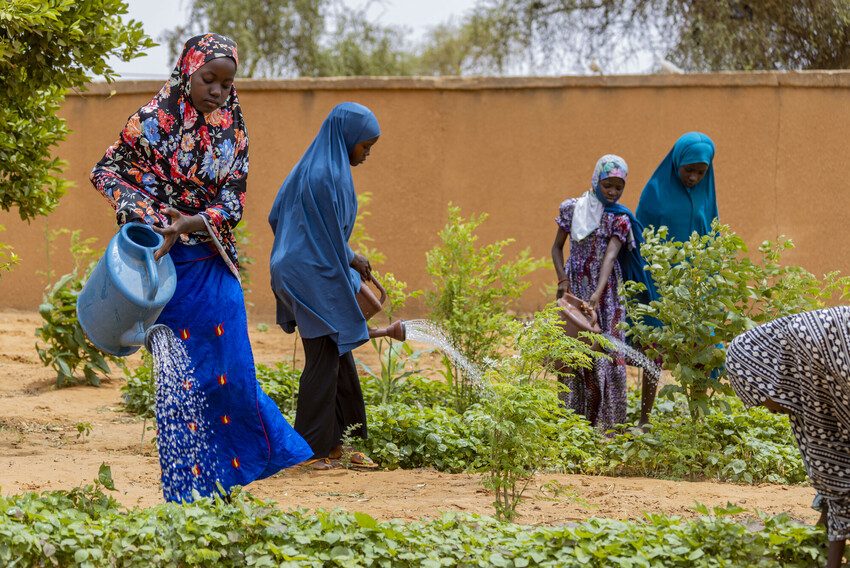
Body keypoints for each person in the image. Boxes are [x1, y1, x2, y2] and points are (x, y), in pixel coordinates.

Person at [91, 33, 312, 502]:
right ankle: (189, 491)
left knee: (230, 371)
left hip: (213, 262)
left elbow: (235, 196)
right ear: (186, 72)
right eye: (209, 80)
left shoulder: (234, 128)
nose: (218, 91)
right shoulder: (151, 121)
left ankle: (233, 476)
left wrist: (195, 220)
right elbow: (105, 172)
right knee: (186, 382)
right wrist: (155, 219)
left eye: (227, 84)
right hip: (163, 270)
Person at [268, 102, 381, 470]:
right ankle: (313, 449)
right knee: (323, 358)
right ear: (346, 137)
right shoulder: (324, 175)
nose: (366, 154)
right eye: (364, 146)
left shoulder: (314, 168)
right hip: (307, 274)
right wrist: (349, 259)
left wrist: (341, 255)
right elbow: (327, 234)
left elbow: (278, 214)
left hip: (301, 268)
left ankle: (340, 442)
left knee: (337, 350)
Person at [726, 307, 850, 568]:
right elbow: (828, 462)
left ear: (765, 375)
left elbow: (839, 469)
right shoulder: (803, 359)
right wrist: (818, 536)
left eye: (761, 399)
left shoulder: (814, 357)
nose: (770, 410)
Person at [551, 155, 655, 430]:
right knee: (572, 350)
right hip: (573, 287)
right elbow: (556, 248)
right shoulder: (572, 209)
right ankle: (571, 421)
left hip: (606, 294)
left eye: (618, 188)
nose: (612, 192)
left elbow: (609, 258)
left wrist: (597, 294)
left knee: (605, 352)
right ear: (597, 180)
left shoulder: (619, 219)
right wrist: (563, 281)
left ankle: (606, 425)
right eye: (608, 185)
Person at [635, 131, 719, 425]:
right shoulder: (655, 192)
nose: (694, 177)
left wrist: (712, 280)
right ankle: (644, 418)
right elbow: (640, 238)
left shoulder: (706, 194)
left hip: (695, 285)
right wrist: (651, 283)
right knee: (654, 351)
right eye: (689, 170)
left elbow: (713, 236)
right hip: (661, 283)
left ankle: (696, 421)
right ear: (677, 164)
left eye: (700, 171)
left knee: (700, 351)